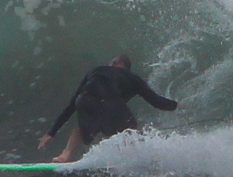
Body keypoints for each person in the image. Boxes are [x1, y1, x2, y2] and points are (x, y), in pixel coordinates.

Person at [37, 54, 177, 162]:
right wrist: (176, 105)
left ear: (114, 63)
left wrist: (52, 132)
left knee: (83, 129)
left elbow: (72, 104)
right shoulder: (133, 78)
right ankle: (132, 159)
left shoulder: (95, 70)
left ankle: (65, 154)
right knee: (129, 132)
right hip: (111, 102)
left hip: (84, 100)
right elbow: (156, 101)